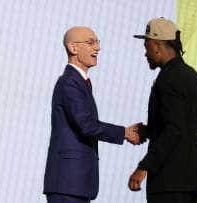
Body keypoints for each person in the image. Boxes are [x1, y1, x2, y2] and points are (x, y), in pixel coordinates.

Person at [43, 26, 140, 203]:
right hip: (68, 184)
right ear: (73, 47)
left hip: (75, 184)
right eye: (90, 42)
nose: (97, 48)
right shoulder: (70, 83)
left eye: (97, 42)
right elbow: (87, 125)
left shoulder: (78, 82)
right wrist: (125, 132)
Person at [128, 17, 197, 203]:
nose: (145, 53)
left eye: (147, 46)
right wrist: (152, 130)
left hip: (170, 180)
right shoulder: (192, 75)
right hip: (192, 178)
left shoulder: (168, 78)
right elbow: (195, 126)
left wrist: (144, 166)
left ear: (157, 46)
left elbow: (174, 128)